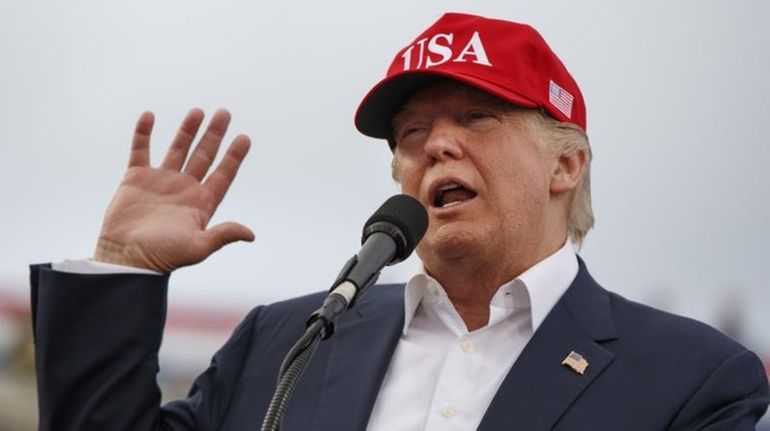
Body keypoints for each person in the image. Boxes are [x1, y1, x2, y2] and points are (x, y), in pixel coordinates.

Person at [30, 12, 769, 430]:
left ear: (565, 164)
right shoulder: (284, 344)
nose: (437, 144)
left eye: (476, 117)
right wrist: (123, 263)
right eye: (412, 135)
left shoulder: (694, 379)